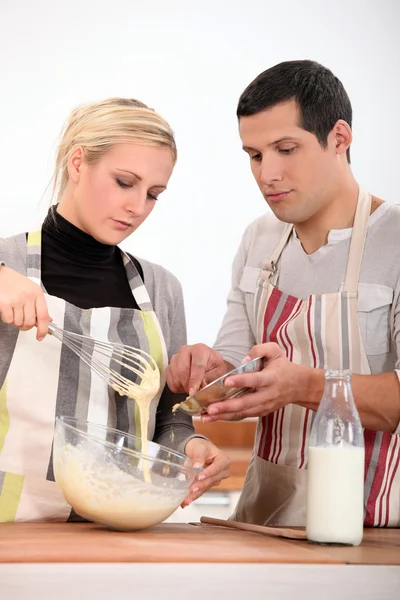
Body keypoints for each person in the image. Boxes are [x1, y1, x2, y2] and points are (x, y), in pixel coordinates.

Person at [166, 60, 400, 528]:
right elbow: (237, 358)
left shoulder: (394, 239)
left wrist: (305, 385)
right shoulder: (259, 238)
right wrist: (212, 373)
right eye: (254, 155)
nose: (267, 173)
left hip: (374, 524)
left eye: (286, 148)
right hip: (266, 519)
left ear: (339, 138)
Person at [0, 97, 230, 522]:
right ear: (77, 163)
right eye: (125, 182)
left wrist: (190, 446)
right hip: (11, 527)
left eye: (154, 194)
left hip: (118, 526)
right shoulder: (6, 267)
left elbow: (169, 422)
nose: (138, 207)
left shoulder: (161, 289)